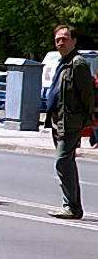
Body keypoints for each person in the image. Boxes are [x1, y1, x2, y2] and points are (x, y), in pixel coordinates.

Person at [45, 24, 95, 219]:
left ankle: (71, 207)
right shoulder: (62, 62)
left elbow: (87, 95)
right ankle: (73, 206)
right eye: (57, 39)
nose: (60, 42)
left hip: (71, 122)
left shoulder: (78, 63)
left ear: (74, 41)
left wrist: (85, 120)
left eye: (64, 38)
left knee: (62, 161)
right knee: (67, 163)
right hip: (58, 120)